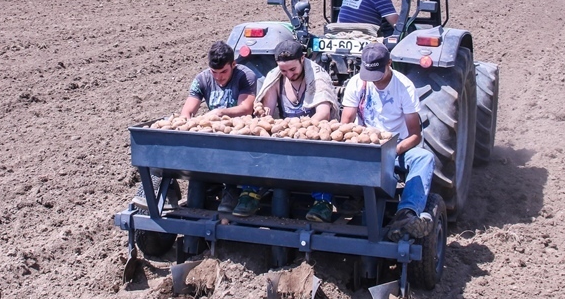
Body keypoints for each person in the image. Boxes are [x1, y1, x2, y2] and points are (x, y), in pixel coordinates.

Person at [132, 41, 256, 210]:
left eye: (223, 72)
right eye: (214, 72)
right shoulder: (202, 79)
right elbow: (187, 112)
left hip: (239, 136)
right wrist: (186, 124)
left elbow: (245, 108)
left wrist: (220, 113)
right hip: (212, 134)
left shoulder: (245, 76)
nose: (218, 77)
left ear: (233, 65)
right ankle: (165, 190)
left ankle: (232, 191)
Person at [230, 40, 340, 220]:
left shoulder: (318, 77)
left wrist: (300, 129)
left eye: (293, 69)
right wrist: (264, 113)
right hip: (285, 134)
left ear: (302, 59)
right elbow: (269, 110)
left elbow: (324, 113)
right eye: (284, 70)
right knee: (256, 141)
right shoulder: (275, 78)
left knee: (321, 152)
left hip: (311, 134)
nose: (289, 74)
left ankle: (322, 201)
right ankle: (250, 193)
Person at [340, 43, 435, 241]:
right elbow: (345, 124)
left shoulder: (404, 87)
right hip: (365, 147)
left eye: (377, 74)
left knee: (424, 158)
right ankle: (349, 197)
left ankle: (407, 213)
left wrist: (393, 151)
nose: (373, 80)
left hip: (397, 148)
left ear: (389, 63)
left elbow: (415, 135)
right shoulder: (357, 83)